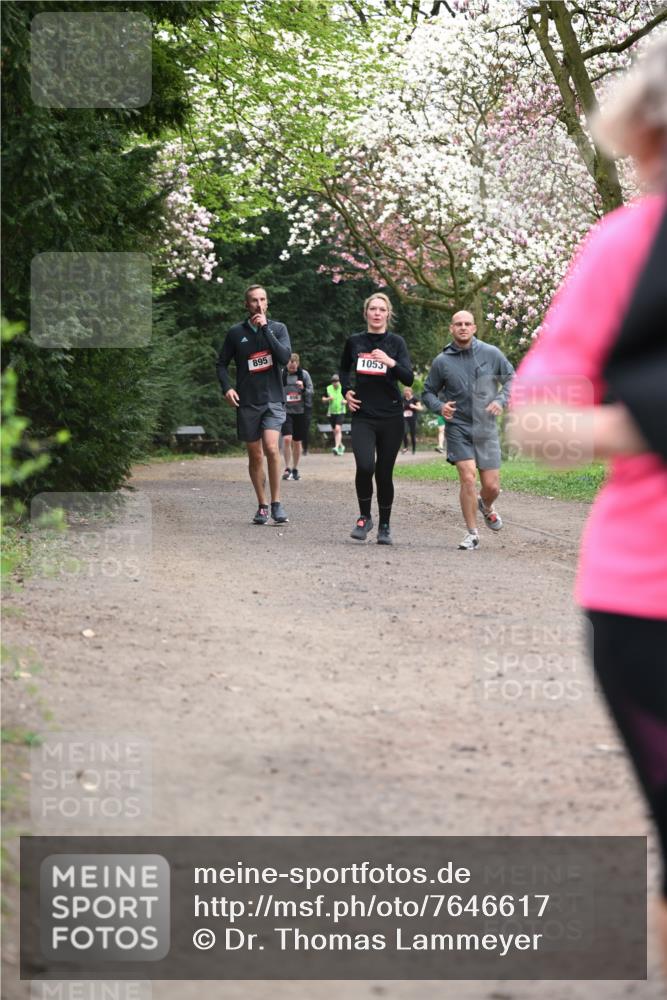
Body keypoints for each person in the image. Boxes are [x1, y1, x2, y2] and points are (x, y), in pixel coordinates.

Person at [509, 36, 667, 967]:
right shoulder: (625, 247)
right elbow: (538, 419)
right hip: (648, 601)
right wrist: (644, 420)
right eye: (649, 144)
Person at [422, 311, 514, 549]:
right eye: (458, 324)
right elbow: (427, 392)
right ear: (451, 328)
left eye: (467, 324)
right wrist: (440, 406)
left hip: (486, 427)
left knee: (492, 486)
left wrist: (501, 400)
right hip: (458, 427)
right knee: (468, 477)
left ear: (474, 328)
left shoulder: (492, 354)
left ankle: (485, 505)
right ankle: (472, 533)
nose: (463, 327)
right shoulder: (442, 361)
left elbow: (512, 379)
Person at [340, 292, 414, 545]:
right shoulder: (354, 341)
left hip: (391, 417)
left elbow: (409, 378)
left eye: (382, 309)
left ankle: (384, 525)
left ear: (388, 314)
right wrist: (345, 391)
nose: (377, 313)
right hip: (363, 414)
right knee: (364, 466)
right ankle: (364, 517)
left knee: (384, 473)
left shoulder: (396, 342)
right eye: (373, 309)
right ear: (366, 313)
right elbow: (343, 369)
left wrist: (390, 362)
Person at [216, 284, 291, 524]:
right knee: (255, 454)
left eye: (263, 300)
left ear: (267, 303)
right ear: (246, 305)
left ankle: (277, 503)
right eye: (254, 300)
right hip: (248, 401)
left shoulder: (278, 329)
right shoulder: (236, 333)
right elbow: (221, 364)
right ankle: (262, 505)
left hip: (273, 399)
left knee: (271, 447)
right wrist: (227, 388)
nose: (259, 304)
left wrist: (266, 329)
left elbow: (284, 358)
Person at [281, 353, 313, 481]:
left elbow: (311, 391)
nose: (292, 369)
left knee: (297, 441)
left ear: (298, 364)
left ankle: (295, 469)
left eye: (294, 367)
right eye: (290, 366)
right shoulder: (282, 374)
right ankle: (287, 468)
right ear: (287, 363)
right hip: (286, 411)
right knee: (287, 439)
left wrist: (303, 388)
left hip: (301, 411)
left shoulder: (304, 375)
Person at [322, 374, 346, 455]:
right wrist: (328, 398)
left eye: (336, 381)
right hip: (331, 412)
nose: (335, 383)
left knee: (337, 429)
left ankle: (336, 447)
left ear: (339, 381)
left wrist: (345, 401)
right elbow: (323, 399)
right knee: (335, 431)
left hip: (341, 411)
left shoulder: (343, 388)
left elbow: (348, 399)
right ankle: (341, 446)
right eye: (333, 382)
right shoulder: (328, 388)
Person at [401, 386, 423, 454]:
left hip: (412, 418)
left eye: (408, 392)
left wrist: (414, 406)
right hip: (404, 417)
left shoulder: (415, 399)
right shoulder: (403, 398)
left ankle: (413, 449)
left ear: (411, 392)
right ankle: (405, 447)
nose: (406, 394)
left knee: (412, 433)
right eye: (405, 392)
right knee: (404, 432)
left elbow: (421, 408)